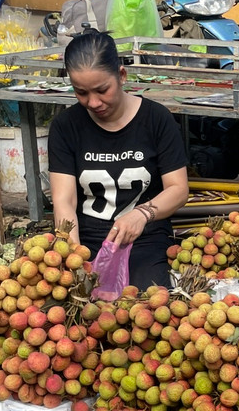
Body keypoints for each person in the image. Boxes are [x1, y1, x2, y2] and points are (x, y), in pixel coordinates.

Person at [48, 30, 190, 288]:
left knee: (143, 308)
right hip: (87, 238)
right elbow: (64, 200)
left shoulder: (156, 120)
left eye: (102, 90)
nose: (93, 102)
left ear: (122, 76)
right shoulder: (65, 126)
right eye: (81, 93)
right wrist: (72, 254)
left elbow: (178, 190)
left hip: (145, 239)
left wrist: (142, 214)